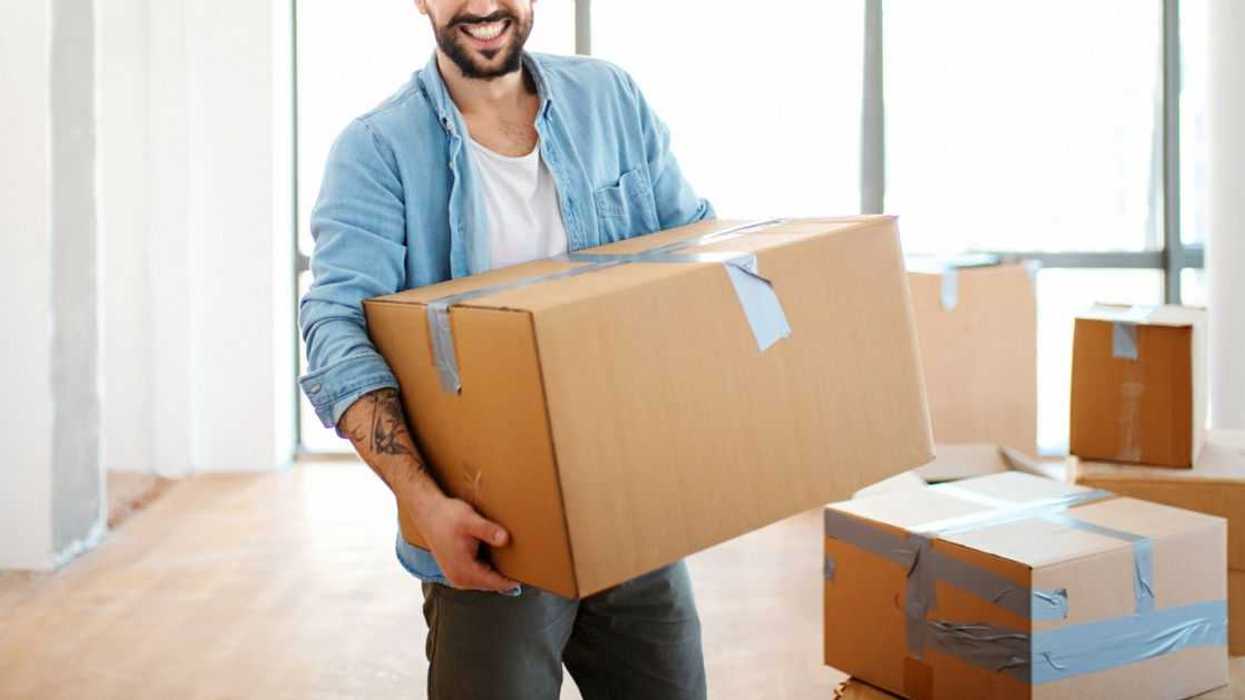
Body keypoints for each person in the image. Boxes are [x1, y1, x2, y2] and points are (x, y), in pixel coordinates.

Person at [300, 1, 714, 697]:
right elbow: (336, 329)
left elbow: (689, 247)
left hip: (630, 502)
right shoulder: (377, 149)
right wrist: (427, 508)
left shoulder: (608, 98)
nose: (483, 5)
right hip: (484, 527)